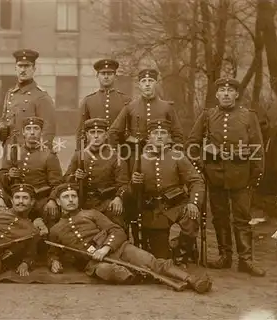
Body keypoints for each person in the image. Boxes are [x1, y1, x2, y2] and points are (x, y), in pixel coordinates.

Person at [47, 183, 212, 294]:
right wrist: (54, 261)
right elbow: (53, 251)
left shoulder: (92, 214)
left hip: (120, 250)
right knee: (110, 272)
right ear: (58, 202)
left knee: (149, 260)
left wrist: (106, 248)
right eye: (66, 197)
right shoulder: (56, 229)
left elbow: (117, 231)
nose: (70, 200)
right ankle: (140, 274)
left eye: (73, 196)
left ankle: (191, 280)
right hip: (95, 262)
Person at [186, 77, 265, 276]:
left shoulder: (248, 116)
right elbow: (192, 145)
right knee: (220, 218)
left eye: (230, 91)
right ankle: (225, 257)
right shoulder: (207, 116)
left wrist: (255, 176)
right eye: (222, 90)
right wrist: (201, 167)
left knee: (242, 218)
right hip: (215, 177)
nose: (227, 94)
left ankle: (245, 260)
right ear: (217, 94)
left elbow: (257, 148)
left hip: (241, 176)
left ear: (237, 94)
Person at [131, 119, 204, 264]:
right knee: (161, 256)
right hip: (155, 209)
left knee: (191, 218)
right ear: (148, 138)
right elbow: (134, 191)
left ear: (169, 137)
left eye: (163, 133)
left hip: (176, 204)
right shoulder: (140, 159)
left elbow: (196, 181)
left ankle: (182, 251)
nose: (159, 136)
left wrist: (193, 203)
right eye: (155, 133)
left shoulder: (178, 157)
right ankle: (170, 251)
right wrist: (134, 183)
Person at [63, 118, 129, 229]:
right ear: (87, 135)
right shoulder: (79, 156)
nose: (96, 136)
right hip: (82, 203)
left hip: (106, 203)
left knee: (115, 225)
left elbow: (124, 184)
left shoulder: (115, 158)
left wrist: (118, 198)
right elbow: (65, 180)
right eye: (92, 132)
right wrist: (75, 177)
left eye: (100, 132)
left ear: (106, 135)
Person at [0, 116, 62, 228]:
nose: (32, 132)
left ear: (41, 132)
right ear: (23, 132)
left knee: (50, 214)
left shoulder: (49, 156)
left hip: (40, 201)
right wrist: (9, 175)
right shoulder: (14, 152)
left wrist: (52, 200)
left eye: (36, 129)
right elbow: (1, 174)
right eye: (28, 129)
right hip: (17, 199)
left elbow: (56, 183)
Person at [108, 68, 184, 158]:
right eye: (144, 81)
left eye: (150, 81)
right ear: (139, 85)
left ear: (156, 84)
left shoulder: (167, 107)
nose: (147, 84)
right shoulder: (130, 107)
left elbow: (178, 134)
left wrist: (173, 153)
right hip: (136, 154)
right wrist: (119, 153)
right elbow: (113, 132)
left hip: (162, 155)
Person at [0, 49, 56, 150]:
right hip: (9, 148)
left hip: (30, 151)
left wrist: (42, 154)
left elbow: (48, 129)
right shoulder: (10, 93)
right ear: (15, 68)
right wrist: (1, 127)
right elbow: (4, 118)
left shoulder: (41, 96)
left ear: (34, 69)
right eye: (20, 66)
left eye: (27, 66)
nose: (23, 70)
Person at [75, 58, 130, 147]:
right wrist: (80, 153)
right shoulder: (88, 101)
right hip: (95, 150)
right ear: (97, 75)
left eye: (109, 74)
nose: (106, 76)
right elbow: (81, 131)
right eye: (103, 73)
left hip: (120, 149)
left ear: (115, 76)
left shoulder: (126, 100)